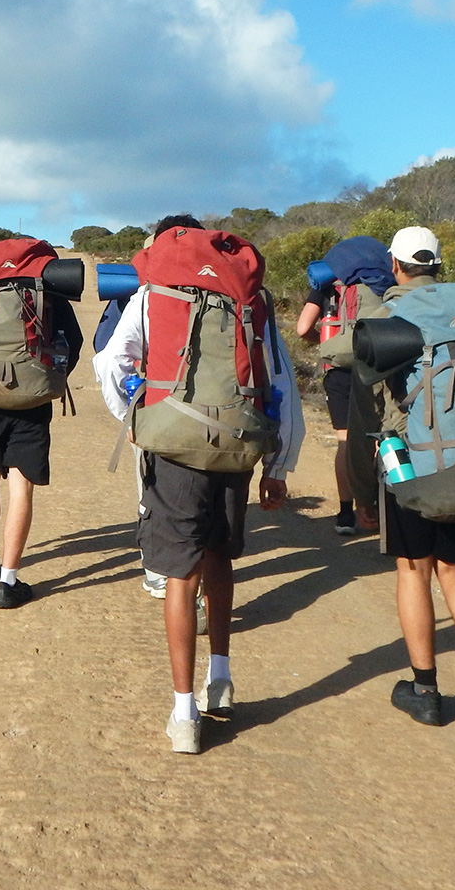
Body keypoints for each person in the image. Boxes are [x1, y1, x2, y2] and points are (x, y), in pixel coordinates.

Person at [96, 220, 304, 754]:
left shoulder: (154, 292)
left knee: (180, 575)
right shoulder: (249, 299)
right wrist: (279, 466)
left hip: (173, 445)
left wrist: (137, 420)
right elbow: (279, 382)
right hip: (235, 441)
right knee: (219, 558)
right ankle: (222, 679)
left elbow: (111, 361)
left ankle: (184, 713)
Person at [346, 225, 455, 736]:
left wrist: (359, 490)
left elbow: (362, 401)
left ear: (395, 266)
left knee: (414, 569)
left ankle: (425, 692)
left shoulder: (388, 316)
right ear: (437, 265)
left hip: (411, 462)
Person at [93, 216, 208, 632]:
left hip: (161, 412)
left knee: (157, 494)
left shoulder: (144, 287)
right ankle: (206, 589)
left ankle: (161, 574)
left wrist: (129, 413)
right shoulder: (234, 288)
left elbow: (108, 356)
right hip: (225, 417)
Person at [0, 243, 84, 610]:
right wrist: (50, 377)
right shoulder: (47, 288)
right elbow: (74, 341)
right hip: (32, 400)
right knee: (21, 486)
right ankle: (8, 581)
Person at [293, 236, 395, 536]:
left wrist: (327, 345)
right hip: (375, 366)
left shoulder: (328, 285)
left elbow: (302, 328)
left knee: (345, 441)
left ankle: (345, 513)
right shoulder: (384, 283)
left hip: (338, 370)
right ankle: (378, 508)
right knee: (379, 437)